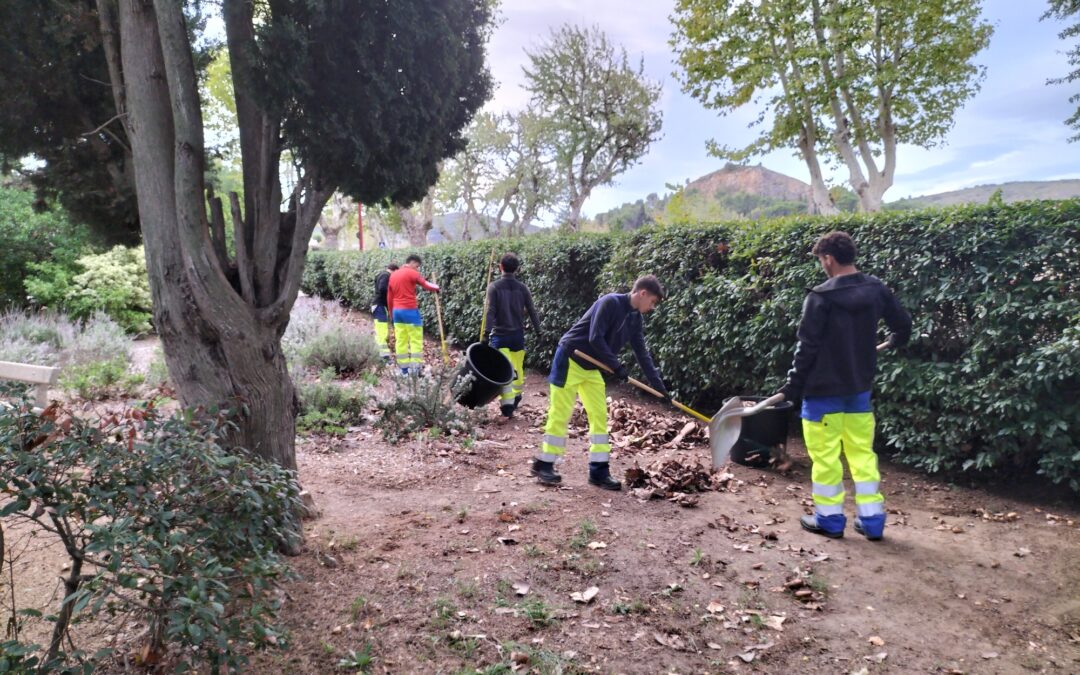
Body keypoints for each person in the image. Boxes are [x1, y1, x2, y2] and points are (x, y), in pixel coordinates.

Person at [777, 231, 911, 541]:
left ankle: (829, 519)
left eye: (821, 261)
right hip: (859, 391)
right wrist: (894, 340)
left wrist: (792, 386)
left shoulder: (820, 297)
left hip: (822, 395)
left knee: (826, 459)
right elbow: (903, 325)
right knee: (862, 455)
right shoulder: (876, 289)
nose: (822, 266)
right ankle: (872, 520)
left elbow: (807, 348)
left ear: (829, 259)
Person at [533, 275, 669, 491]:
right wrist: (616, 366)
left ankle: (598, 471)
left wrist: (659, 387)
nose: (652, 307)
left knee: (599, 417)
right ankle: (545, 464)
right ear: (642, 293)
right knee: (560, 413)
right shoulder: (609, 302)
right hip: (570, 358)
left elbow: (642, 353)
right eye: (652, 302)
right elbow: (595, 337)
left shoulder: (635, 319)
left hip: (592, 368)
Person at [484, 253, 542, 418]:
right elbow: (532, 310)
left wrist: (486, 333)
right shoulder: (522, 288)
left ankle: (507, 405)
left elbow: (490, 312)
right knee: (517, 367)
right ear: (517, 269)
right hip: (517, 336)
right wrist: (539, 331)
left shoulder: (494, 287)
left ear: (500, 267)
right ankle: (516, 396)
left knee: (504, 369)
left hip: (500, 336)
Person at [387, 254, 440, 376]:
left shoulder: (394, 275)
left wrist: (391, 313)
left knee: (401, 340)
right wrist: (437, 287)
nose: (417, 269)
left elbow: (389, 297)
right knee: (415, 340)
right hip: (410, 311)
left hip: (396, 312)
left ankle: (404, 371)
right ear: (412, 263)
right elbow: (426, 284)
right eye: (417, 266)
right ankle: (415, 370)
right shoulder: (412, 273)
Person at [372, 263, 399, 364]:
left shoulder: (381, 274)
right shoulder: (386, 275)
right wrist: (393, 292)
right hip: (380, 306)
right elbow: (382, 288)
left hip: (379, 306)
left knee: (381, 331)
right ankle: (384, 357)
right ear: (394, 270)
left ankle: (380, 354)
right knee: (382, 332)